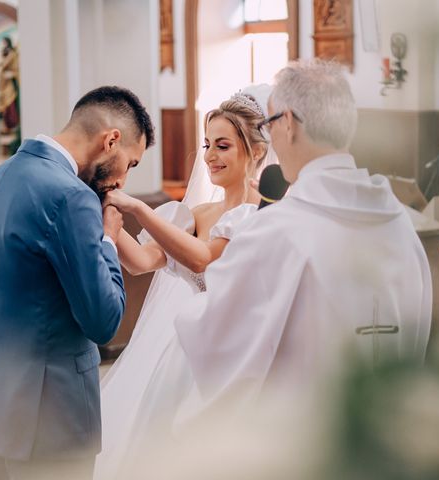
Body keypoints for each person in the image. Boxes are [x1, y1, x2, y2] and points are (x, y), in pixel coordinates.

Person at [173, 59, 433, 424]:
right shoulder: (400, 227)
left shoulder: (274, 233)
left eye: (269, 124)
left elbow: (217, 346)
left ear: (289, 123)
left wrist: (187, 308)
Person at [0, 86, 155, 480]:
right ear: (110, 140)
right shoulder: (71, 197)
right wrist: (108, 239)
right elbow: (104, 320)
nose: (122, 181)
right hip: (50, 419)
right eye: (130, 164)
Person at [94, 85, 276, 478]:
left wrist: (140, 208)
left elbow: (202, 259)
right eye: (208, 144)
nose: (210, 156)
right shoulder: (196, 213)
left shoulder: (260, 214)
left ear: (256, 151)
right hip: (184, 346)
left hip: (235, 345)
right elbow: (143, 262)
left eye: (223, 146)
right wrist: (106, 209)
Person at [0, 36, 20, 133]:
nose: (3, 44)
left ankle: (12, 124)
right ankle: (6, 125)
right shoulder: (3, 52)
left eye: (4, 42)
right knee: (4, 104)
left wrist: (1, 66)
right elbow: (2, 65)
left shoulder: (12, 53)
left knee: (10, 102)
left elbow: (6, 64)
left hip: (9, 82)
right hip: (3, 82)